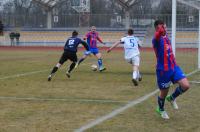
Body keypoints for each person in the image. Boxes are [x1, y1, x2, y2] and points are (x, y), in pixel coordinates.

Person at [152, 20, 190, 119]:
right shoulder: (155, 40)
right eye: (162, 27)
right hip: (163, 71)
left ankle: (172, 98)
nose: (165, 28)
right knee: (164, 93)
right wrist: (159, 32)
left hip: (174, 67)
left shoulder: (166, 37)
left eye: (165, 26)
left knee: (186, 85)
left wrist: (163, 30)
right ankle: (160, 109)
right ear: (157, 29)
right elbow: (157, 36)